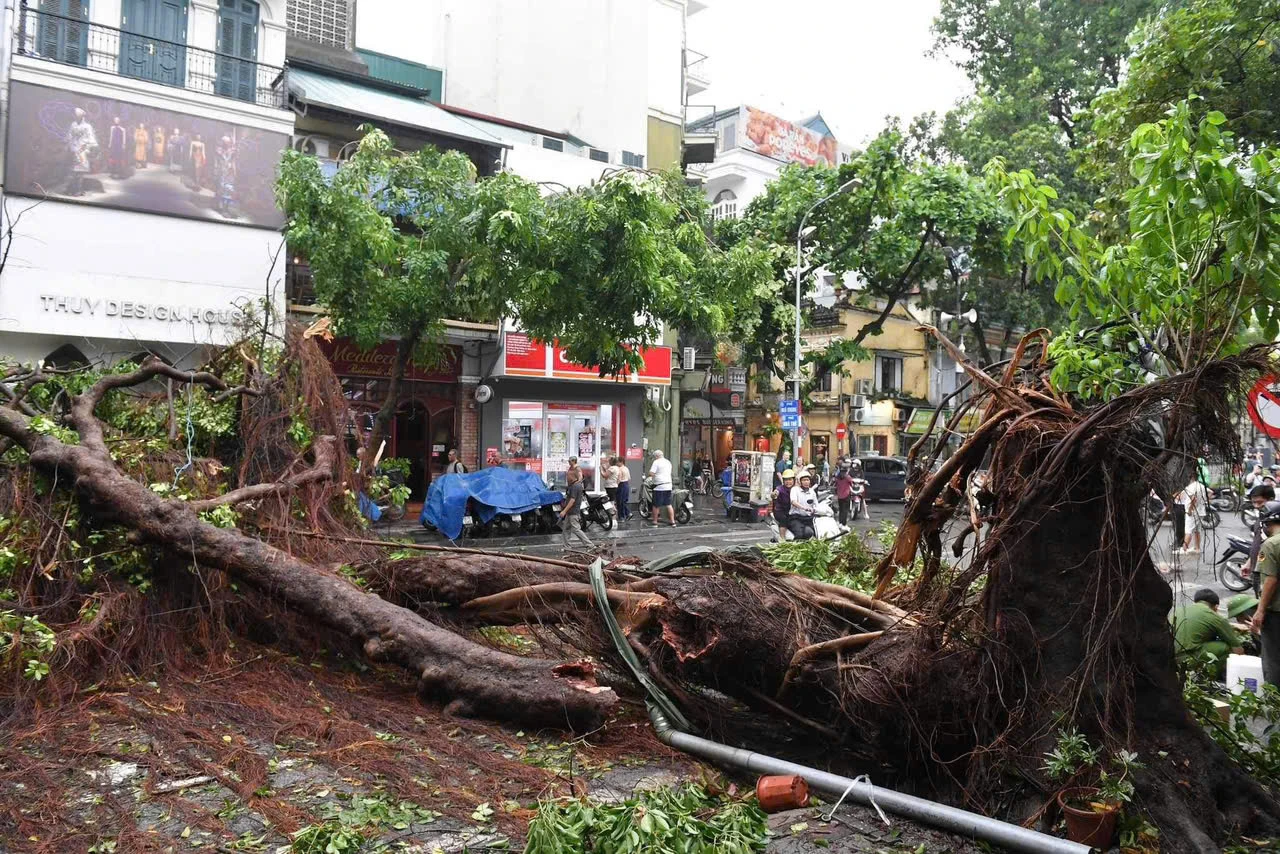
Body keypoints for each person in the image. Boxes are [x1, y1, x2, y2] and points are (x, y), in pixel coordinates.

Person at [1170, 589, 1244, 679]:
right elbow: (1238, 651)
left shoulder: (1178, 610)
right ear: (1216, 607)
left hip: (1170, 658)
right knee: (1225, 647)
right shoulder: (1214, 616)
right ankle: (1210, 678)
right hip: (1188, 659)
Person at [1251, 508, 1280, 686]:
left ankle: (1274, 704)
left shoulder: (1271, 545)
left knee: (1273, 659)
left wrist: (1260, 610)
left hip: (1276, 611)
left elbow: (1270, 579)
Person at [1246, 485, 1280, 593]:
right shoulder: (1262, 518)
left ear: (1270, 500)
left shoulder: (1274, 522)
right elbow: (1259, 542)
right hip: (1257, 570)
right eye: (1253, 502)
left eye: (1259, 502)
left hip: (1268, 573)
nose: (1256, 506)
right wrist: (1249, 563)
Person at [65, 108, 97, 196]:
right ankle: (71, 189)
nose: (76, 117)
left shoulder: (87, 126)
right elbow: (69, 136)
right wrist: (70, 147)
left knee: (80, 171)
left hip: (82, 150)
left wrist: (87, 148)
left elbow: (91, 138)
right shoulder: (73, 125)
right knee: (73, 171)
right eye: (75, 115)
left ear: (82, 116)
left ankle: (78, 190)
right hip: (74, 149)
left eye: (78, 115)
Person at [559, 469, 593, 551]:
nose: (566, 477)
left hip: (573, 512)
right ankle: (566, 546)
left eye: (568, 475)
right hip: (570, 512)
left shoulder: (575, 486)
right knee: (566, 529)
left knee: (576, 529)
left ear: (572, 476)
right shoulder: (574, 485)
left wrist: (564, 511)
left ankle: (589, 545)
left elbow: (572, 500)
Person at [1175, 475, 1207, 555]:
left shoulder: (1191, 487)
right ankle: (1197, 548)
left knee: (1188, 530)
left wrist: (1190, 509)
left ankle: (1184, 548)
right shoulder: (1201, 486)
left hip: (1193, 512)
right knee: (1197, 530)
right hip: (1201, 511)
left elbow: (1193, 498)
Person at [787, 470, 819, 541]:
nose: (806, 482)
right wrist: (804, 508)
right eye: (804, 480)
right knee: (800, 534)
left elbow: (816, 505)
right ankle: (795, 548)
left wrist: (815, 510)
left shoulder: (811, 491)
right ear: (800, 481)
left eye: (807, 480)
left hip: (809, 518)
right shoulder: (795, 489)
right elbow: (793, 501)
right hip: (796, 518)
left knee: (817, 532)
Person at [648, 449, 676, 527]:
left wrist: (652, 476)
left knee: (656, 505)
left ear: (656, 456)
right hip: (668, 485)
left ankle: (655, 522)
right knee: (668, 504)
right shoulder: (668, 462)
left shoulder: (656, 462)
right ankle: (672, 521)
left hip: (659, 486)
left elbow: (651, 473)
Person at [616, 457, 632, 522]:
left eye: (617, 462)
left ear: (621, 462)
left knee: (620, 501)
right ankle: (627, 514)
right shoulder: (626, 468)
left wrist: (616, 485)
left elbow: (619, 479)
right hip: (626, 484)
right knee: (624, 501)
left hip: (621, 485)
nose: (617, 463)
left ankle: (622, 516)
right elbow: (629, 478)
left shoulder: (619, 469)